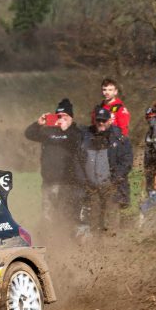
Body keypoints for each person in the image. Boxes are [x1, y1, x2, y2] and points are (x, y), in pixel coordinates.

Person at [25, 98, 83, 228]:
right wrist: (38, 123)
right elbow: (29, 134)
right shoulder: (48, 131)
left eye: (65, 116)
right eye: (59, 116)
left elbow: (79, 142)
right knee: (48, 217)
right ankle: (50, 242)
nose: (62, 118)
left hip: (68, 183)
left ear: (71, 117)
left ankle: (67, 241)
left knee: (67, 215)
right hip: (49, 181)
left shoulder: (76, 132)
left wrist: (66, 130)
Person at [76, 107, 132, 234]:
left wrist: (115, 179)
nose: (101, 123)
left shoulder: (119, 139)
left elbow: (126, 161)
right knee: (94, 222)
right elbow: (79, 160)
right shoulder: (85, 138)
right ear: (95, 121)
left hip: (111, 187)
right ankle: (96, 250)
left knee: (111, 223)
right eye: (98, 120)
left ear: (110, 121)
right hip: (92, 188)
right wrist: (83, 180)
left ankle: (111, 249)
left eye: (104, 120)